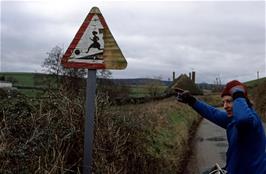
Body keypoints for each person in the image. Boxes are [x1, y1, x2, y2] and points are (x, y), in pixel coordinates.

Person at [176, 80, 266, 174]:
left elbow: (243, 118)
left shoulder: (252, 121)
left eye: (229, 101)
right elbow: (213, 113)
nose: (225, 106)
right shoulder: (232, 120)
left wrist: (238, 94)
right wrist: (192, 101)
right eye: (223, 102)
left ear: (242, 102)